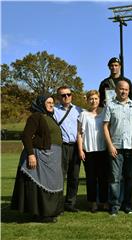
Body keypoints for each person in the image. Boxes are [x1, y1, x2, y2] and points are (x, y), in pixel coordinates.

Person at [11, 95, 63, 223]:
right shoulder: (36, 117)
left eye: (52, 102)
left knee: (52, 183)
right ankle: (42, 214)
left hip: (52, 157)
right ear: (41, 103)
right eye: (48, 102)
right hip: (40, 155)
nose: (51, 105)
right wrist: (30, 154)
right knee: (41, 185)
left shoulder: (50, 118)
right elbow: (26, 136)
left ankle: (50, 212)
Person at [103, 80, 132, 215]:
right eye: (121, 89)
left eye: (126, 89)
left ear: (129, 91)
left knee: (129, 178)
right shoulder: (110, 105)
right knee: (114, 179)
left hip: (130, 147)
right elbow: (105, 127)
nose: (124, 91)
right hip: (116, 148)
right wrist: (110, 145)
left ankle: (127, 205)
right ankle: (115, 206)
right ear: (116, 90)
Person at [77, 90, 108, 213]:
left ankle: (105, 202)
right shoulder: (83, 114)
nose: (93, 101)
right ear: (87, 100)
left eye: (95, 98)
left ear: (99, 99)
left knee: (103, 178)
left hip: (103, 150)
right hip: (89, 151)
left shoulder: (104, 113)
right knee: (91, 179)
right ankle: (93, 203)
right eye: (91, 99)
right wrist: (80, 150)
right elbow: (79, 133)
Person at [54, 86, 82, 212]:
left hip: (76, 147)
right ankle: (57, 203)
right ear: (58, 97)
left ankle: (70, 203)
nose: (66, 97)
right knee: (60, 176)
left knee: (74, 177)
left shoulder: (79, 110)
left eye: (68, 94)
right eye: (63, 95)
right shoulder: (54, 111)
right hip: (62, 146)